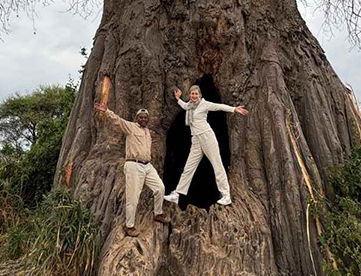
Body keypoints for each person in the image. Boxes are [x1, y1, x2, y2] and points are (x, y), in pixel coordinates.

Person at [164, 85, 249, 206]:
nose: (194, 96)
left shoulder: (204, 104)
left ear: (200, 95)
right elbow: (184, 105)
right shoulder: (190, 106)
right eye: (192, 94)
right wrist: (178, 99)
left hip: (207, 137)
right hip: (196, 140)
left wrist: (234, 109)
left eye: (196, 94)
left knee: (217, 165)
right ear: (190, 95)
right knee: (188, 168)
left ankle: (226, 195)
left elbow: (219, 107)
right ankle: (177, 194)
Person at [94, 102, 170, 237]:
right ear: (137, 118)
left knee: (160, 188)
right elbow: (118, 120)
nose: (143, 119)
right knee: (132, 198)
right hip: (133, 165)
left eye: (145, 117)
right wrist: (106, 111)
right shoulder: (130, 127)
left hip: (147, 165)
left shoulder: (148, 132)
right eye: (141, 117)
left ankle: (157, 213)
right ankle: (130, 226)